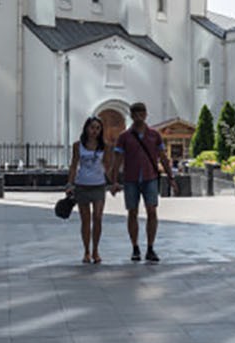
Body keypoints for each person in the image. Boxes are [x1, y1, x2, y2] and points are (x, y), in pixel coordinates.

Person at [108, 103, 177, 263]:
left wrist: (171, 177)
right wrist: (114, 181)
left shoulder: (154, 135)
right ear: (131, 115)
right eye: (136, 113)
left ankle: (150, 247)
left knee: (152, 211)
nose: (139, 116)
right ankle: (135, 247)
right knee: (132, 212)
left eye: (142, 113)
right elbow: (117, 160)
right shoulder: (124, 137)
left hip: (149, 177)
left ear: (146, 114)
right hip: (131, 179)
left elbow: (163, 157)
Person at [66, 117, 110, 264]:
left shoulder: (104, 146)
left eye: (98, 128)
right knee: (85, 220)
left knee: (97, 217)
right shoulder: (78, 146)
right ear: (86, 128)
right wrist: (70, 184)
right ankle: (86, 251)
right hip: (82, 185)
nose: (94, 131)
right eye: (92, 128)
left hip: (98, 185)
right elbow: (74, 165)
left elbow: (107, 165)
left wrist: (113, 181)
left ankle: (95, 249)